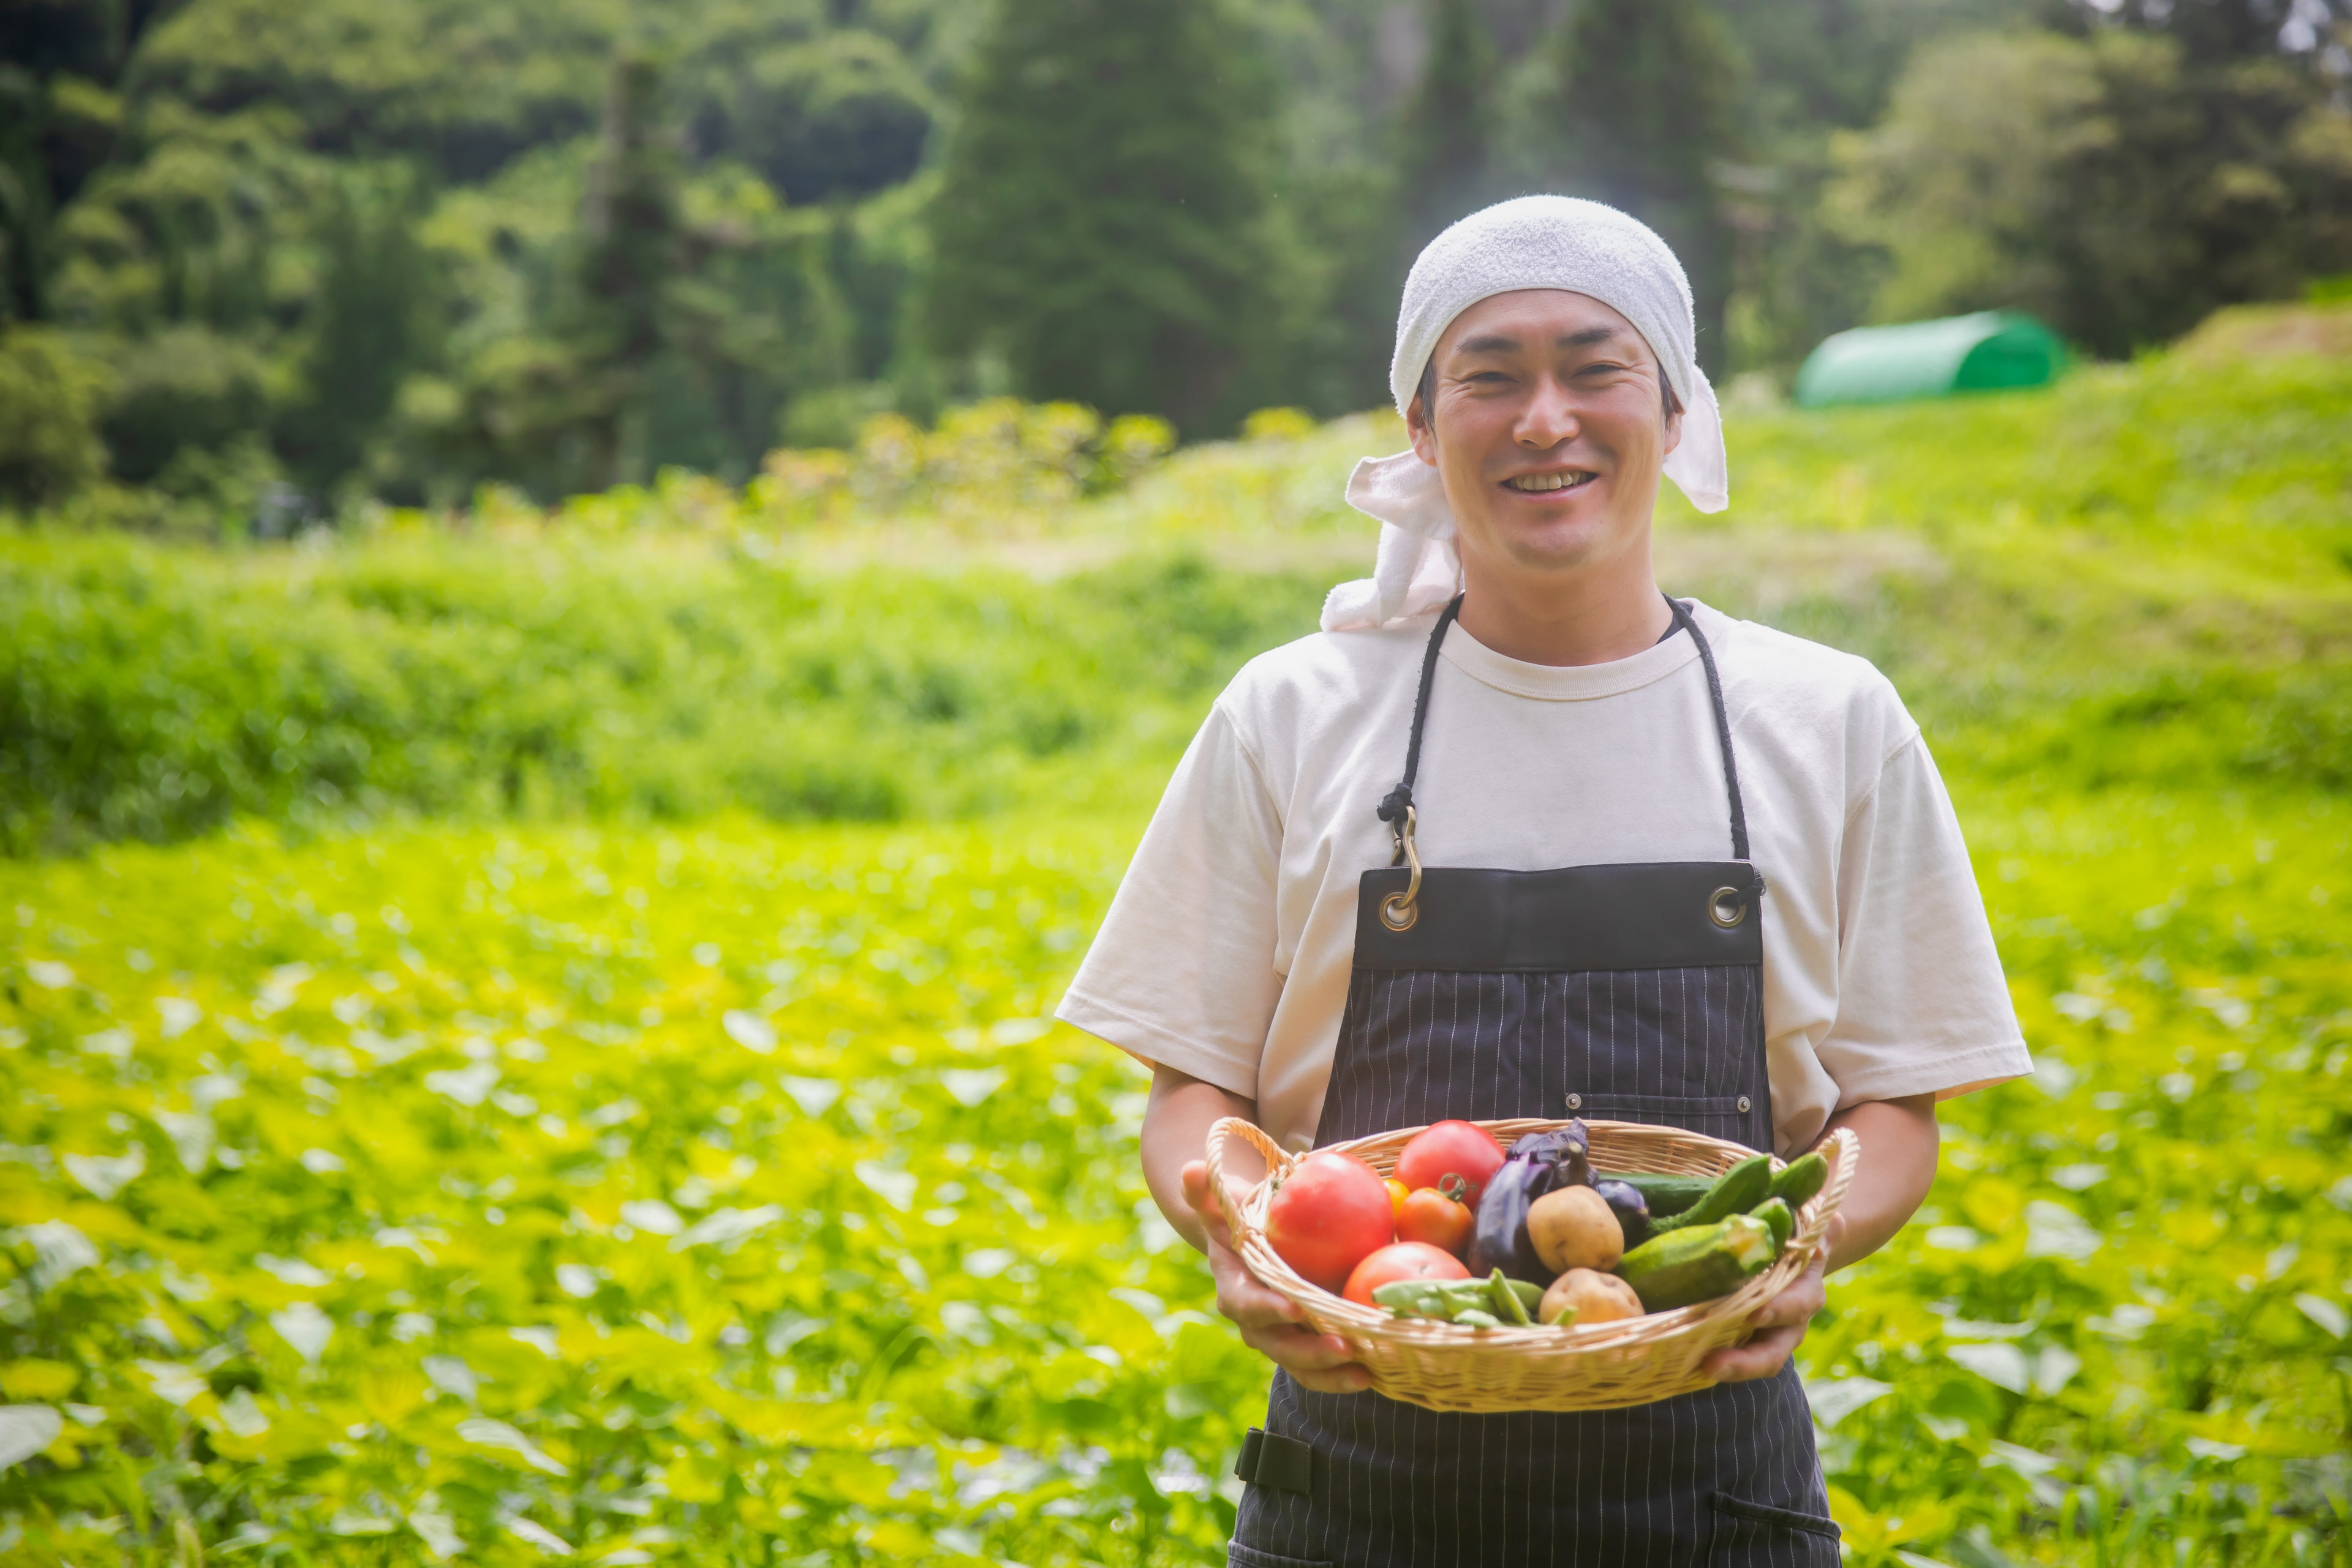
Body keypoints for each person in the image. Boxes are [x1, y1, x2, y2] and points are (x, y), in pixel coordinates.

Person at [1054, 197, 2030, 1567]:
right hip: (1355, 1495)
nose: (1545, 419)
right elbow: (1193, 1095)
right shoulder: (1293, 713)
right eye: (1490, 377)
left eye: (1594, 366)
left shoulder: (1828, 719)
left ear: (1677, 410)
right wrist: (1233, 1240)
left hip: (1713, 1500)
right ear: (1419, 425)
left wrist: (1802, 1250)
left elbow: (1897, 1107)